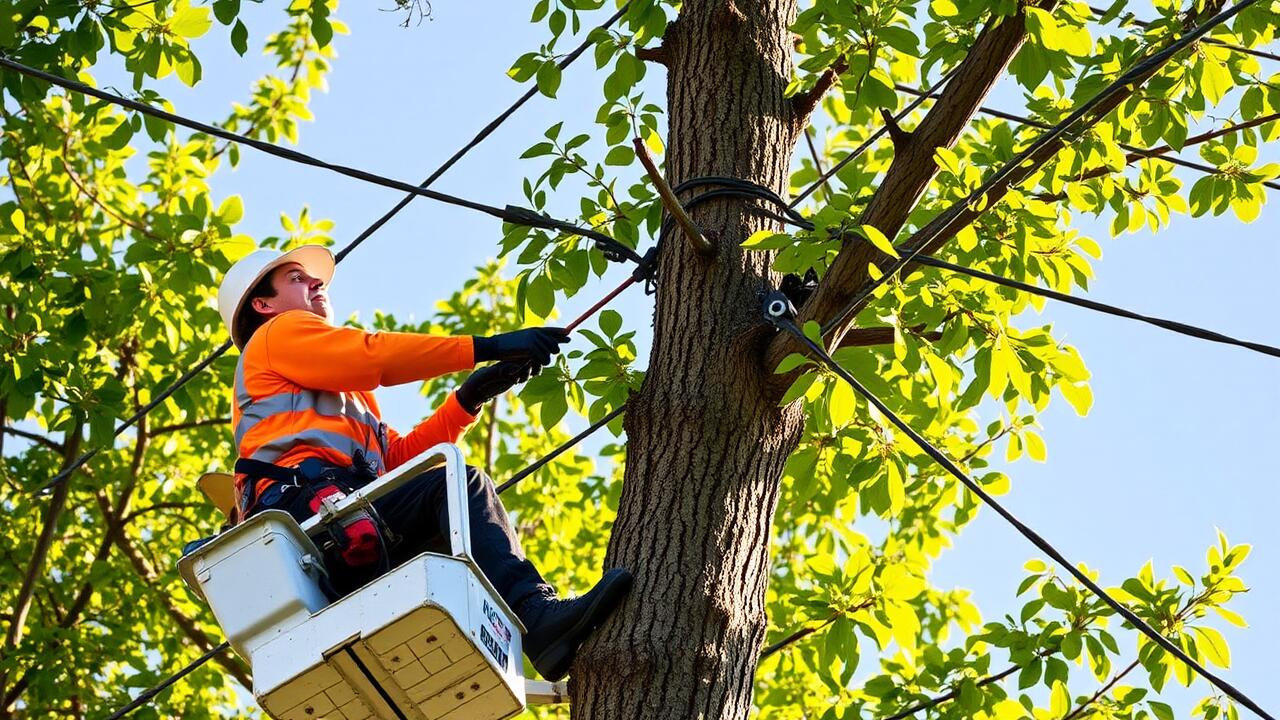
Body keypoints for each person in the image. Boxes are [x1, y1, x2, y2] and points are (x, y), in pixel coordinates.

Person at [215, 245, 631, 682]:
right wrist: (487, 347)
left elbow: (395, 463)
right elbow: (373, 354)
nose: (316, 283)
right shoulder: (276, 335)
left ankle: (516, 634)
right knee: (460, 488)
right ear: (264, 305)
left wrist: (467, 401)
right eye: (297, 279)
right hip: (312, 515)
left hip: (347, 513)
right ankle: (536, 615)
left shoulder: (343, 396)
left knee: (447, 503)